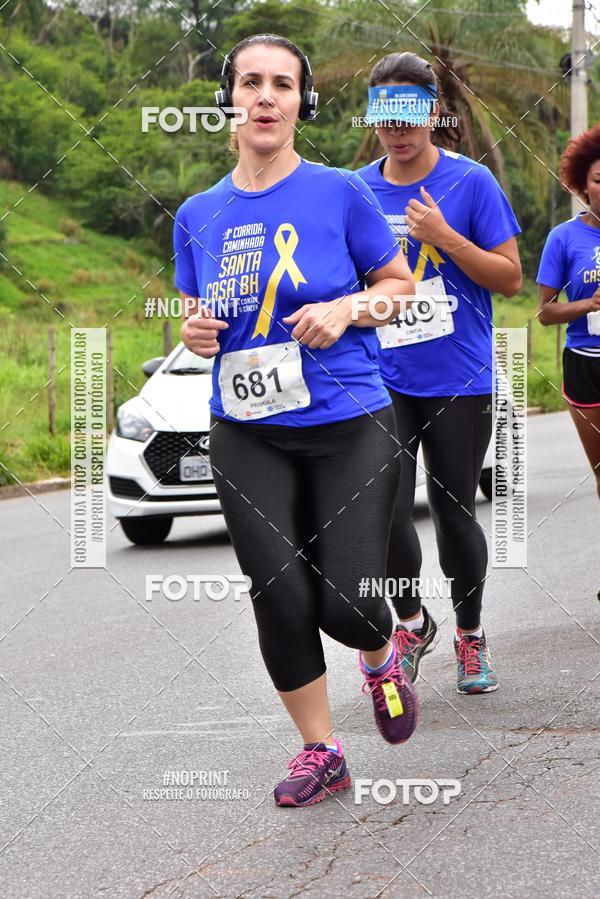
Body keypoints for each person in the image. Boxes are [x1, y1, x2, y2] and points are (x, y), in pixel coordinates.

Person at [175, 35, 417, 808]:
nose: (267, 96)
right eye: (252, 82)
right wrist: (194, 329)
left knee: (344, 600)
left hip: (348, 418)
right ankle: (322, 750)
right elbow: (194, 305)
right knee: (277, 590)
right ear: (231, 99)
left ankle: (381, 653)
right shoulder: (197, 212)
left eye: (283, 84)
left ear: (302, 104)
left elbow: (400, 287)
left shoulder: (340, 191)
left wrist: (348, 307)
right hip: (245, 427)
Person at [357, 52, 522, 694]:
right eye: (384, 114)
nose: (397, 128)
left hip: (458, 376)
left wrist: (447, 237)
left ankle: (471, 635)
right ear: (373, 117)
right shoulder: (357, 189)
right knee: (383, 513)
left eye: (408, 112)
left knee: (455, 515)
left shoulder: (472, 182)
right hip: (382, 375)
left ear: (431, 111)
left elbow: (509, 278)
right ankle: (412, 619)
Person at [537, 124, 600, 501]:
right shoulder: (563, 238)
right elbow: (545, 313)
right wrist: (589, 304)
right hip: (584, 363)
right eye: (599, 179)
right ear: (583, 185)